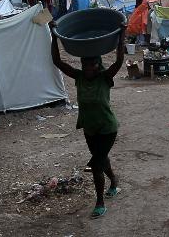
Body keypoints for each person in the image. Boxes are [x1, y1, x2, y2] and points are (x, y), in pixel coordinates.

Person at [49, 21, 125, 219]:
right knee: (101, 159)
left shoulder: (105, 77)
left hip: (107, 128)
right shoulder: (79, 77)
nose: (88, 68)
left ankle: (100, 202)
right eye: (85, 64)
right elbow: (57, 62)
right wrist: (54, 35)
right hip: (90, 129)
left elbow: (118, 62)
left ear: (98, 65)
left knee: (96, 165)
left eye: (92, 64)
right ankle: (114, 182)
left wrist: (122, 33)